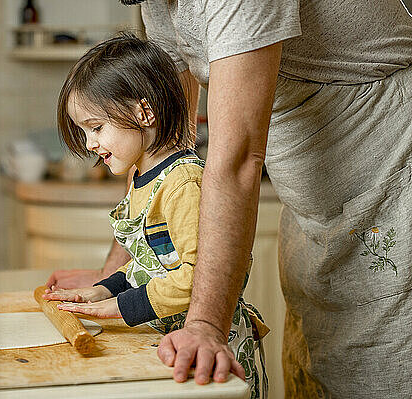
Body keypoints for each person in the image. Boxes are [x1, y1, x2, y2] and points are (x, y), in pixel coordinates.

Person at [46, 1, 412, 397]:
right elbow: (161, 147)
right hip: (314, 217)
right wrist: (112, 278)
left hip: (391, 193)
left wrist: (205, 327)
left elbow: (235, 159)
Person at [44, 33, 269, 398]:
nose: (89, 144)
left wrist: (116, 308)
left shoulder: (182, 183)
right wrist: (100, 291)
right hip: (173, 341)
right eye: (85, 131)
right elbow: (147, 267)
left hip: (213, 354)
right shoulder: (141, 179)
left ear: (143, 112)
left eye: (97, 127)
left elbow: (192, 276)